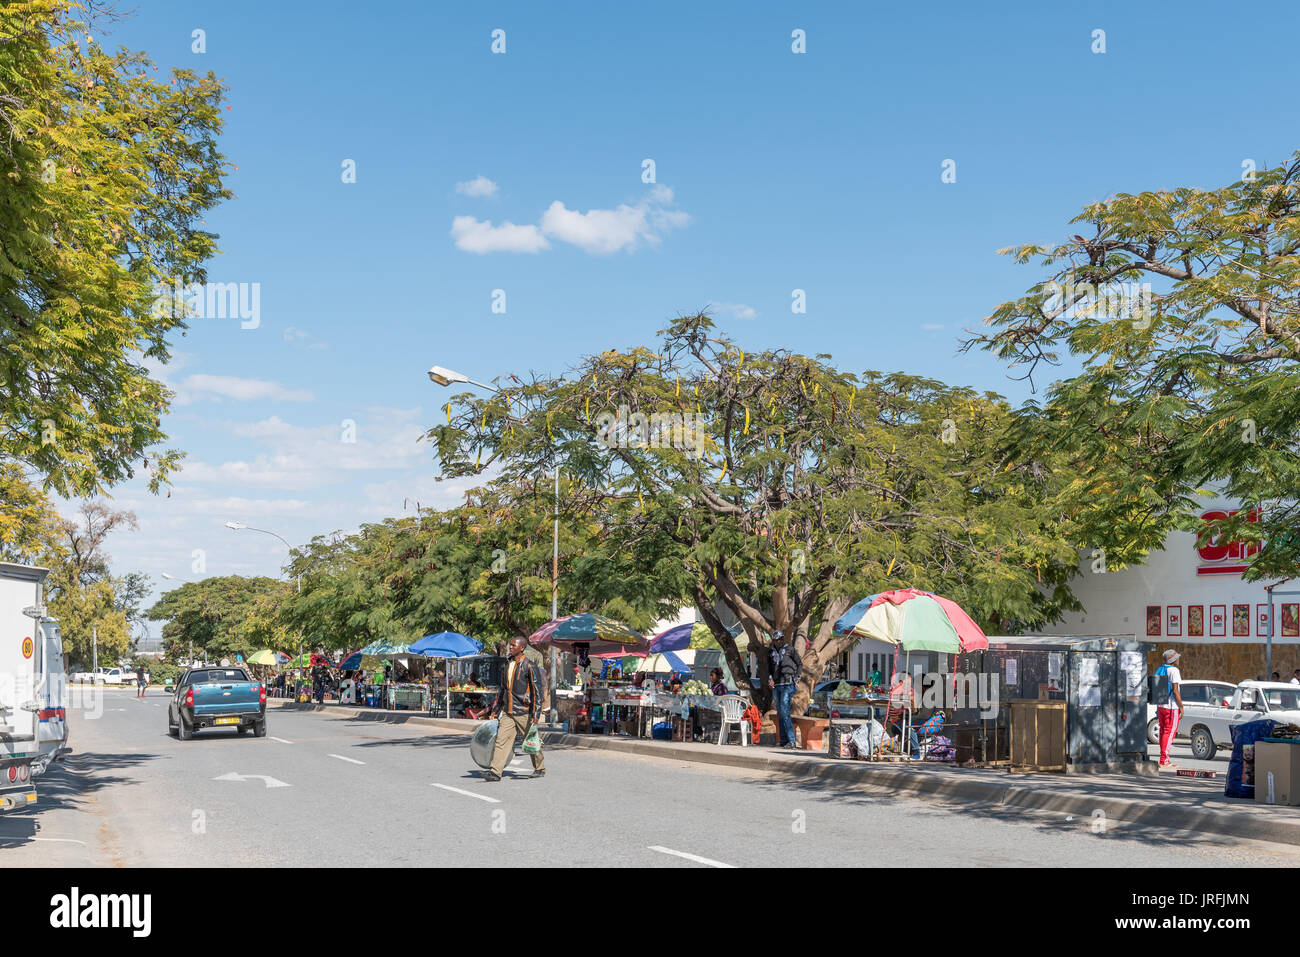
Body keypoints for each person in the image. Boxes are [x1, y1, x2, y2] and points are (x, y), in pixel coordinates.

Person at [484, 638, 545, 782]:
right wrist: (496, 709)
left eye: (513, 645)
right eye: (510, 644)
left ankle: (540, 767)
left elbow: (537, 692)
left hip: (524, 711)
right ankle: (495, 772)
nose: (510, 647)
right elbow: (503, 689)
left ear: (522, 647)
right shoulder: (506, 664)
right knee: (501, 740)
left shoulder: (529, 666)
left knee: (531, 740)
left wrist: (536, 713)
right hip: (508, 711)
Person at [767, 630, 802, 749]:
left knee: (785, 712)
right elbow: (769, 669)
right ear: (774, 641)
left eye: (781, 638)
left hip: (788, 684)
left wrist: (797, 678)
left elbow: (799, 664)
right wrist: (770, 678)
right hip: (777, 685)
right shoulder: (770, 652)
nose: (779, 641)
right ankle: (783, 740)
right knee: (780, 712)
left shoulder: (790, 650)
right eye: (777, 640)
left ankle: (791, 740)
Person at [1155, 649, 1184, 768]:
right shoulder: (1174, 671)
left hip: (1161, 705)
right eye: (1177, 657)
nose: (1178, 659)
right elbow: (1175, 691)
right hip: (1171, 706)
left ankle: (1163, 758)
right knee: (1169, 732)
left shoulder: (1160, 668)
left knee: (1163, 731)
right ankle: (1164, 760)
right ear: (1173, 660)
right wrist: (1181, 706)